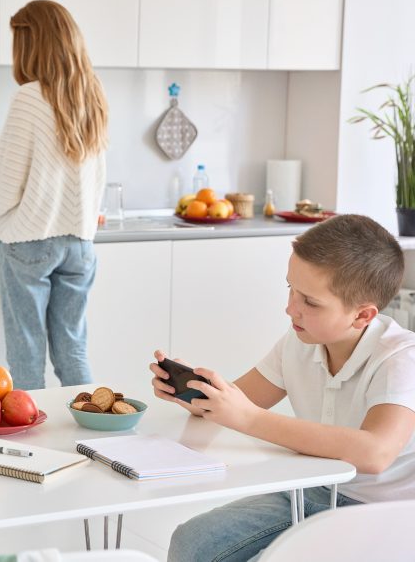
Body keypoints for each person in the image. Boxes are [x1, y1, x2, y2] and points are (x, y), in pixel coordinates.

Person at [150, 214, 415, 561]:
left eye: (310, 302)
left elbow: (375, 453)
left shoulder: (400, 358)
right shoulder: (299, 342)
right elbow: (240, 400)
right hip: (313, 488)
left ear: (362, 316)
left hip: (385, 512)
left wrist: (247, 418)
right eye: (290, 288)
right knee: (192, 543)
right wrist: (191, 392)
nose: (290, 308)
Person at [0, 0, 108, 390]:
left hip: (29, 242)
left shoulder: (29, 97)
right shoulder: (91, 95)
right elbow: (86, 167)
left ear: (32, 44)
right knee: (73, 350)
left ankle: (37, 445)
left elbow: (9, 183)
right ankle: (89, 430)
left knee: (26, 353)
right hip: (79, 243)